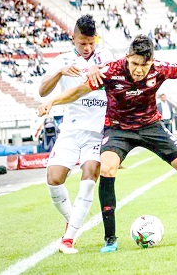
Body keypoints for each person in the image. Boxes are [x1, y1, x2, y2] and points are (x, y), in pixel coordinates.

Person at [38, 35, 177, 253]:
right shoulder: (111, 71)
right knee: (107, 168)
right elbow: (78, 91)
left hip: (151, 126)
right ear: (127, 58)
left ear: (151, 61)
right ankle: (110, 239)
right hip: (118, 129)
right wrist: (51, 101)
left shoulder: (160, 69)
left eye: (144, 65)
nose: (139, 70)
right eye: (134, 64)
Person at [38, 15, 114, 254]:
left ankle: (68, 239)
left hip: (98, 132)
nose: (87, 48)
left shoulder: (106, 56)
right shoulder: (63, 60)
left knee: (90, 175)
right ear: (73, 38)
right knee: (54, 178)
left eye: (91, 43)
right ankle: (72, 220)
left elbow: (110, 73)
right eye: (82, 43)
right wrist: (60, 72)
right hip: (70, 130)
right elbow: (43, 91)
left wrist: (96, 66)